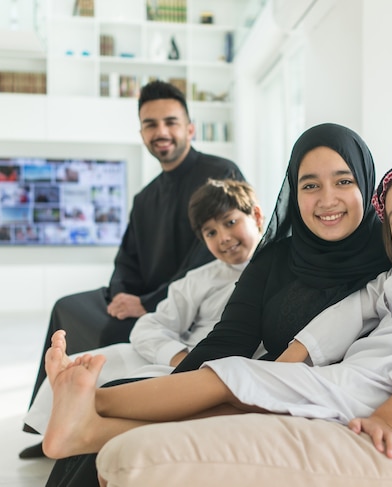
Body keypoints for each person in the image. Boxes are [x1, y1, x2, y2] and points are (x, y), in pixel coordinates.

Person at [41, 122, 392, 485]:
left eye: (343, 180)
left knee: (230, 384)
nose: (326, 198)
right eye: (309, 184)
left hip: (348, 386)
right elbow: (260, 332)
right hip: (309, 373)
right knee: (225, 378)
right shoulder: (338, 258)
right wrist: (293, 355)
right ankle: (89, 418)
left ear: (364, 185)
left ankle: (92, 412)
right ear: (293, 191)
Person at [40, 157, 392, 460]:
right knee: (229, 406)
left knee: (222, 377)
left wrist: (388, 417)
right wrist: (293, 361)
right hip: (341, 381)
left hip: (364, 392)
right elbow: (347, 313)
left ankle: (93, 400)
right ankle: (85, 433)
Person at [19, 80, 245, 459]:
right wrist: (122, 292)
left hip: (173, 301)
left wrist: (145, 302)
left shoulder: (220, 172)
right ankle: (45, 421)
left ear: (189, 128)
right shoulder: (145, 197)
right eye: (150, 124)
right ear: (141, 133)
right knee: (67, 307)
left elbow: (212, 256)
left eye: (170, 122)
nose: (161, 132)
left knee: (107, 328)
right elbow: (126, 258)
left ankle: (87, 423)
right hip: (142, 297)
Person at [22, 178, 265, 440]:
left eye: (230, 222)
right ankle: (65, 409)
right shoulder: (199, 279)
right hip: (183, 356)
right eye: (211, 233)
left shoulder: (282, 269)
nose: (224, 238)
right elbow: (149, 326)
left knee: (133, 389)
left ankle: (80, 424)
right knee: (97, 365)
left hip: (217, 368)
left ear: (257, 215)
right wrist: (180, 357)